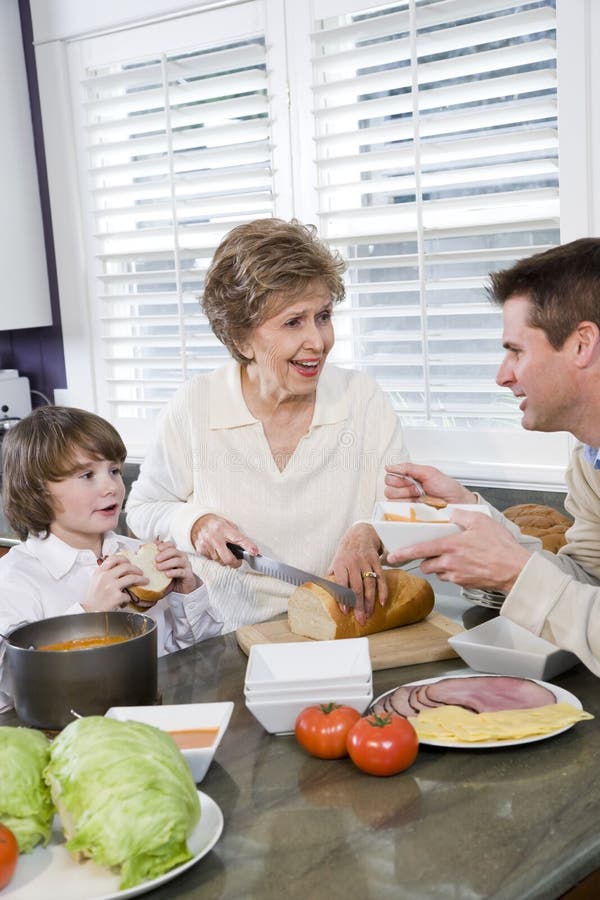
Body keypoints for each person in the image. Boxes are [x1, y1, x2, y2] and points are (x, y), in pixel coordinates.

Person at [126, 218, 407, 631]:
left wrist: (368, 532)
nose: (318, 340)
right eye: (294, 322)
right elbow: (143, 509)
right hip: (221, 630)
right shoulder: (196, 405)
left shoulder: (362, 400)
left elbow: (404, 510)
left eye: (323, 316)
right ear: (241, 339)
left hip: (336, 623)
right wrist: (196, 524)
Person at [384, 237, 600, 676]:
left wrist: (516, 572)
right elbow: (588, 586)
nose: (502, 377)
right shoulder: (589, 463)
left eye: (516, 350)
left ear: (582, 344)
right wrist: (471, 515)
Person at [0, 406, 223, 711]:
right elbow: (7, 693)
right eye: (87, 475)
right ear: (37, 490)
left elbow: (196, 662)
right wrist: (89, 614)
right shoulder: (14, 578)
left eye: (114, 471)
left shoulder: (139, 554)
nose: (112, 487)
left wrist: (189, 592)